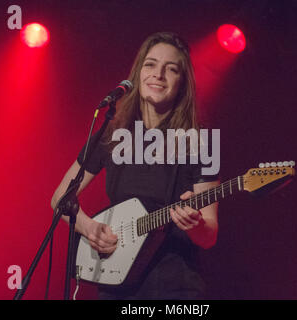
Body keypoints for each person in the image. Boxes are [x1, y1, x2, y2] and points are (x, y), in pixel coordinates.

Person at [51, 32, 219, 299]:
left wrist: (194, 224)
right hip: (117, 282)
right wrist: (89, 228)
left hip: (174, 287)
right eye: (150, 64)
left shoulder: (201, 142)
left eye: (171, 69)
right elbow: (60, 197)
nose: (158, 74)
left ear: (182, 82)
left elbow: (209, 235)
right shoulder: (111, 134)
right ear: (138, 71)